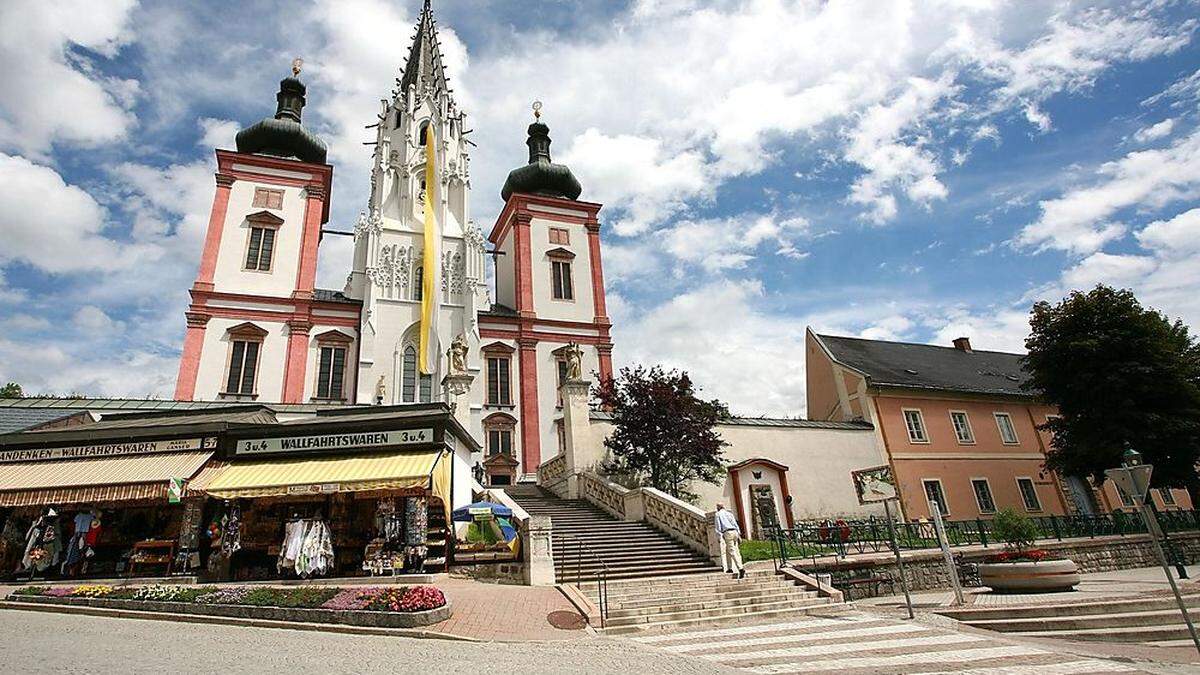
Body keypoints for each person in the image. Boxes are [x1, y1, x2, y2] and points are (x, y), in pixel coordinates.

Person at [714, 503, 745, 579]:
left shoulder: (718, 514)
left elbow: (718, 527)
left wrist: (719, 536)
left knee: (732, 551)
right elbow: (735, 523)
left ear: (718, 507)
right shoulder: (729, 513)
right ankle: (729, 568)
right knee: (733, 550)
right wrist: (739, 534)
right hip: (734, 531)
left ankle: (740, 568)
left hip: (727, 532)